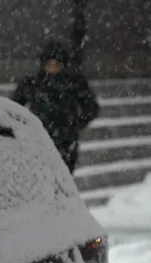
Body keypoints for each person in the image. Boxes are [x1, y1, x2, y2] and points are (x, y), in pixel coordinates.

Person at [12, 40, 99, 173]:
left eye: (56, 64)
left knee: (61, 181)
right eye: (49, 64)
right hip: (38, 140)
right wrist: (24, 126)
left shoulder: (74, 83)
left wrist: (74, 123)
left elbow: (91, 107)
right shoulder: (33, 83)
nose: (52, 68)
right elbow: (14, 106)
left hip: (65, 143)